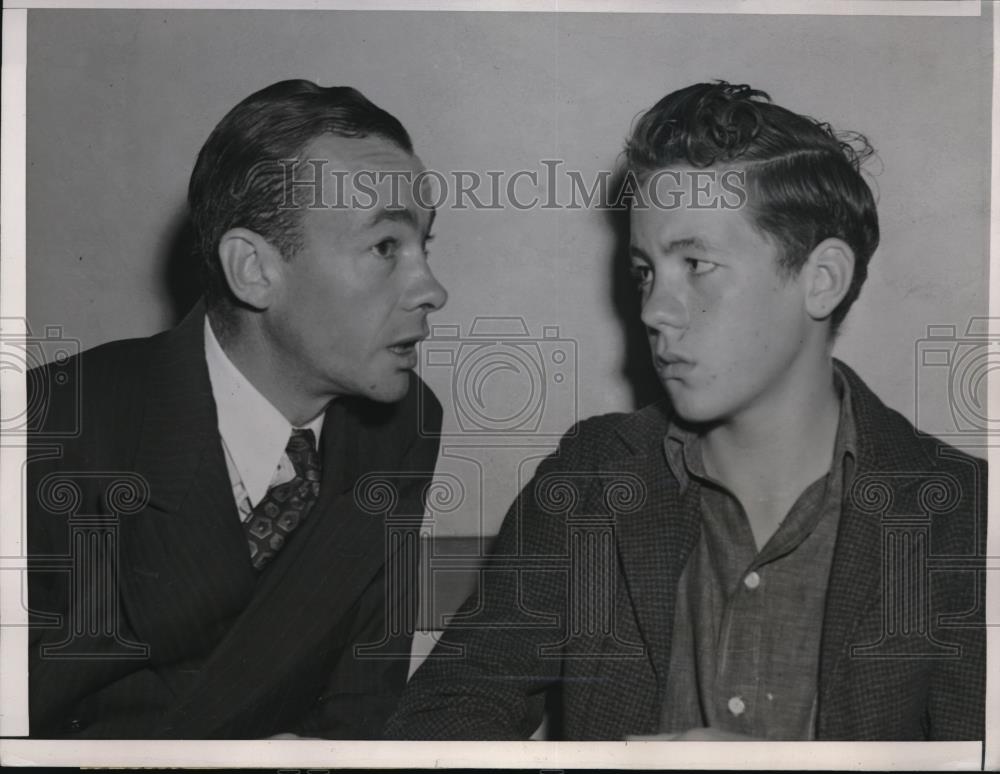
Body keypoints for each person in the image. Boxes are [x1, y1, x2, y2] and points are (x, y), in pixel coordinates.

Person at [385, 81, 986, 741]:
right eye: (646, 273)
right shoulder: (589, 480)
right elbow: (443, 717)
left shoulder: (963, 516)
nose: (653, 312)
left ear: (821, 279)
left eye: (696, 264)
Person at [27, 79, 447, 738]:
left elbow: (363, 700)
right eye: (386, 248)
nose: (431, 289)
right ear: (254, 270)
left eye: (426, 245)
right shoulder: (50, 426)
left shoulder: (401, 425)